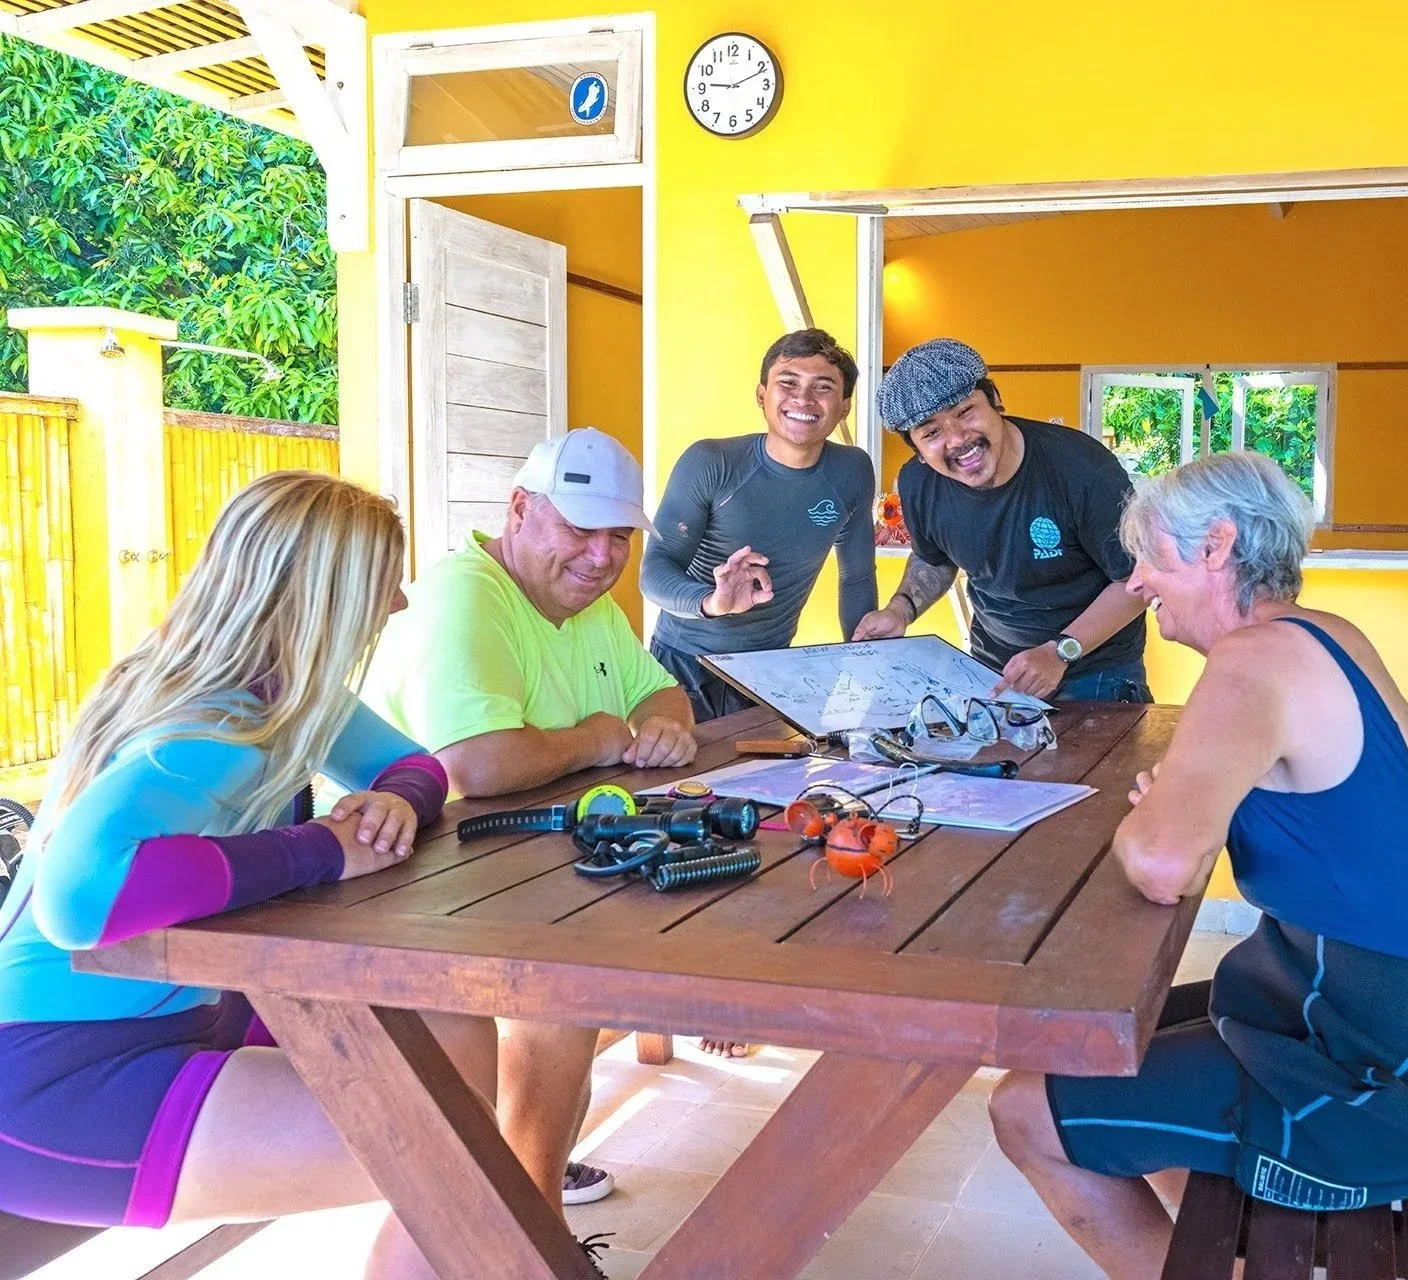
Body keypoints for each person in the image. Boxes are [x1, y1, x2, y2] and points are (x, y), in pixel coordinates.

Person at [986, 453, 1408, 1278]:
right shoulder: (1326, 633)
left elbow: (1163, 863)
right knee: (1094, 1044)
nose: (1136, 581)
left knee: (1022, 1110)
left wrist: (1156, 814)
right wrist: (1185, 799)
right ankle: (1223, 1248)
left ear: (1216, 546)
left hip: (1401, 1063)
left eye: (1149, 555)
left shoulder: (1251, 660)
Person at [0, 472, 569, 1279]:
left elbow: (413, 764)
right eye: (382, 583)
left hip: (182, 1013)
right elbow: (78, 898)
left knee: (452, 1038)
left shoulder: (280, 695)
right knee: (457, 1161)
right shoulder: (210, 726)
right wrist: (322, 850)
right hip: (64, 1076)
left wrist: (394, 805)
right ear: (325, 597)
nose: (399, 605)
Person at [362, 427, 697, 1199]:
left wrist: (665, 726)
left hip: (518, 865)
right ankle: (528, 1215)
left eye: (618, 537)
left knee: (656, 910)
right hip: (402, 881)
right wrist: (596, 739)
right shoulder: (467, 591)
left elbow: (660, 690)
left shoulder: (583, 601)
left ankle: (527, 1172)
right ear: (519, 510)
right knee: (565, 987)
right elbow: (473, 765)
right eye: (581, 529)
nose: (602, 556)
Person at [852, 338, 1150, 702]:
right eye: (931, 432)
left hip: (1096, 670)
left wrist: (1058, 652)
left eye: (965, 412)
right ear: (916, 449)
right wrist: (901, 610)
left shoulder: (1082, 468)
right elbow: (934, 558)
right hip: (992, 668)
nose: (958, 439)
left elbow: (1138, 580)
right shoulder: (918, 483)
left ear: (996, 402)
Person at [641, 328, 877, 724]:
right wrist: (712, 602)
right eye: (788, 382)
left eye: (823, 387)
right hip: (683, 664)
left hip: (769, 670)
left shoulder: (852, 470)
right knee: (676, 782)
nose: (803, 398)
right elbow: (655, 570)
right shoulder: (711, 462)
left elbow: (856, 577)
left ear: (844, 408)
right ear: (761, 395)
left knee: (759, 780)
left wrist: (865, 664)